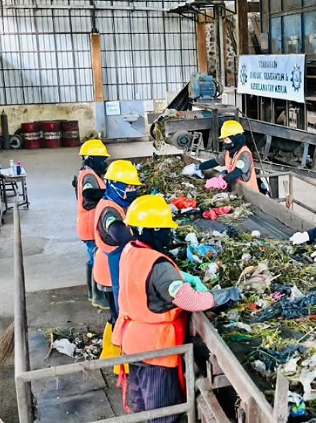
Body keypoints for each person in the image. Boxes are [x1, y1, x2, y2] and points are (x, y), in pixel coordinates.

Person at [113, 195, 242, 421]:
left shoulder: (131, 250)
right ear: (152, 230)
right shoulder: (158, 265)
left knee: (142, 401)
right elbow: (191, 301)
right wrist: (224, 295)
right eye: (165, 229)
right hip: (155, 349)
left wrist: (180, 276)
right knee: (162, 411)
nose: (169, 234)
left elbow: (145, 276)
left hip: (132, 341)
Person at [93, 160, 142, 339]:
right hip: (110, 267)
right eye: (127, 186)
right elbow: (118, 232)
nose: (131, 190)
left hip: (118, 263)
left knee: (118, 313)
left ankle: (115, 342)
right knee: (119, 313)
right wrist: (141, 235)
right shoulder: (109, 210)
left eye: (133, 186)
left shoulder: (117, 202)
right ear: (113, 185)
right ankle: (117, 347)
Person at [74, 139, 110, 309]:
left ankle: (91, 293)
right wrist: (108, 191)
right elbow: (89, 193)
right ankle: (99, 297)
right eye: (102, 159)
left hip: (87, 226)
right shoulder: (89, 175)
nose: (104, 163)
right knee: (98, 259)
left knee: (92, 258)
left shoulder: (87, 173)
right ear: (91, 159)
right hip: (90, 227)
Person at [181, 119, 259, 193]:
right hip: (236, 188)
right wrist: (197, 167)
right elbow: (214, 162)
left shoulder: (244, 154)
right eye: (224, 139)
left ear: (236, 139)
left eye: (227, 139)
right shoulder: (228, 152)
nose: (224, 142)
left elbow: (237, 172)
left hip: (249, 192)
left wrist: (221, 181)